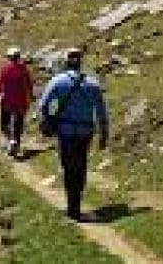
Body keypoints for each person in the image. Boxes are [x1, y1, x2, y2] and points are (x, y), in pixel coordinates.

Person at [38, 48, 109, 222]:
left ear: (66, 61)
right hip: (86, 132)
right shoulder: (92, 84)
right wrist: (104, 134)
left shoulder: (57, 81)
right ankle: (77, 202)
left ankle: (72, 207)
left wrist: (46, 121)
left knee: (68, 167)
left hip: (66, 132)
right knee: (81, 166)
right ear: (81, 62)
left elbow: (44, 105)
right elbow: (101, 111)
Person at [0, 47, 35, 158]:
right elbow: (29, 84)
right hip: (21, 101)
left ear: (9, 57)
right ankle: (15, 142)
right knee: (18, 123)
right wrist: (31, 96)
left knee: (4, 123)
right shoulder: (24, 69)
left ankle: (10, 141)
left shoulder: (5, 69)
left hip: (7, 100)